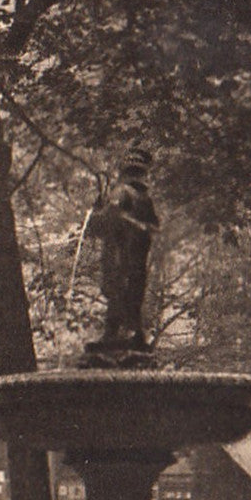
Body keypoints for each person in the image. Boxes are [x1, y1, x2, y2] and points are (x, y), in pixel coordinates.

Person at [86, 148, 161, 352]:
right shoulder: (122, 192)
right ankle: (118, 333)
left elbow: (153, 226)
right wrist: (99, 212)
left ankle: (130, 332)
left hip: (135, 254)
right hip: (119, 252)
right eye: (134, 170)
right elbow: (107, 220)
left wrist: (138, 226)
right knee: (121, 291)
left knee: (132, 292)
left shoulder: (143, 198)